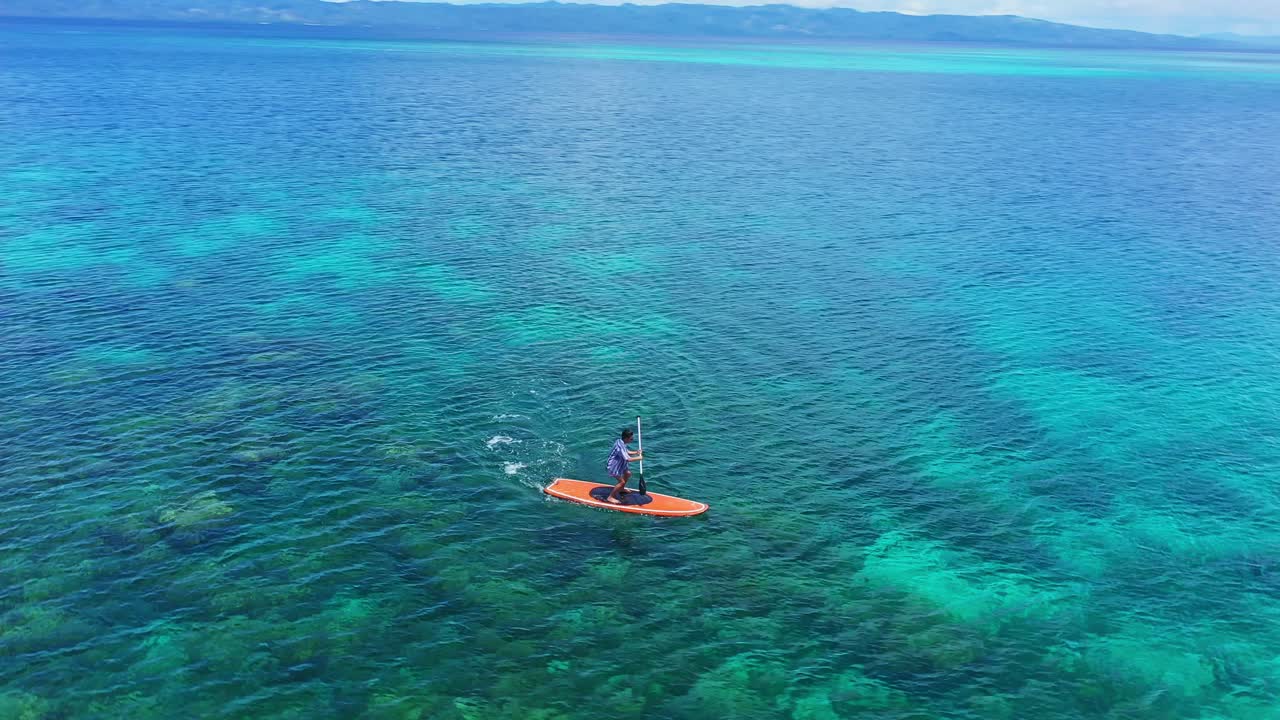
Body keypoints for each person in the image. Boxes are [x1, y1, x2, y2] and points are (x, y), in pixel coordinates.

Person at [605, 427, 643, 504]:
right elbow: (627, 459)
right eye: (631, 439)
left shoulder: (620, 441)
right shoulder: (620, 446)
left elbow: (626, 451)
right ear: (626, 438)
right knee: (621, 482)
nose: (632, 440)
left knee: (628, 473)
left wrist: (636, 452)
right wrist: (639, 458)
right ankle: (610, 497)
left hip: (620, 464)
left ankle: (621, 489)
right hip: (613, 466)